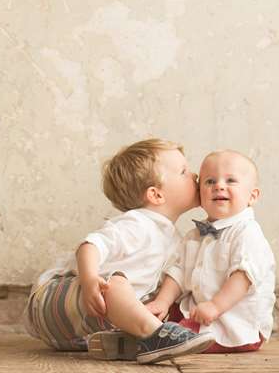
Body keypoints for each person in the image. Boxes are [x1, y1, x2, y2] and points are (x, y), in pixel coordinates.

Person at [23, 138, 215, 364]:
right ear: (156, 195)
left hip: (86, 332)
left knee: (151, 302)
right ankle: (156, 336)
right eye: (184, 171)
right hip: (55, 301)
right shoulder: (137, 224)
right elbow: (89, 246)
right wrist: (89, 280)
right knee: (117, 284)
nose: (194, 176)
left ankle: (128, 342)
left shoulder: (175, 239)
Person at [144, 149, 276, 353]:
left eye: (231, 180)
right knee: (159, 312)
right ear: (200, 193)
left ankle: (158, 340)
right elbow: (178, 271)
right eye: (209, 181)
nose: (219, 186)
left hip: (236, 321)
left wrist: (215, 306)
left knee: (175, 334)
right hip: (200, 312)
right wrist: (162, 301)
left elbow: (243, 276)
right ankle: (141, 332)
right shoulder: (194, 235)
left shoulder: (247, 233)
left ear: (252, 196)